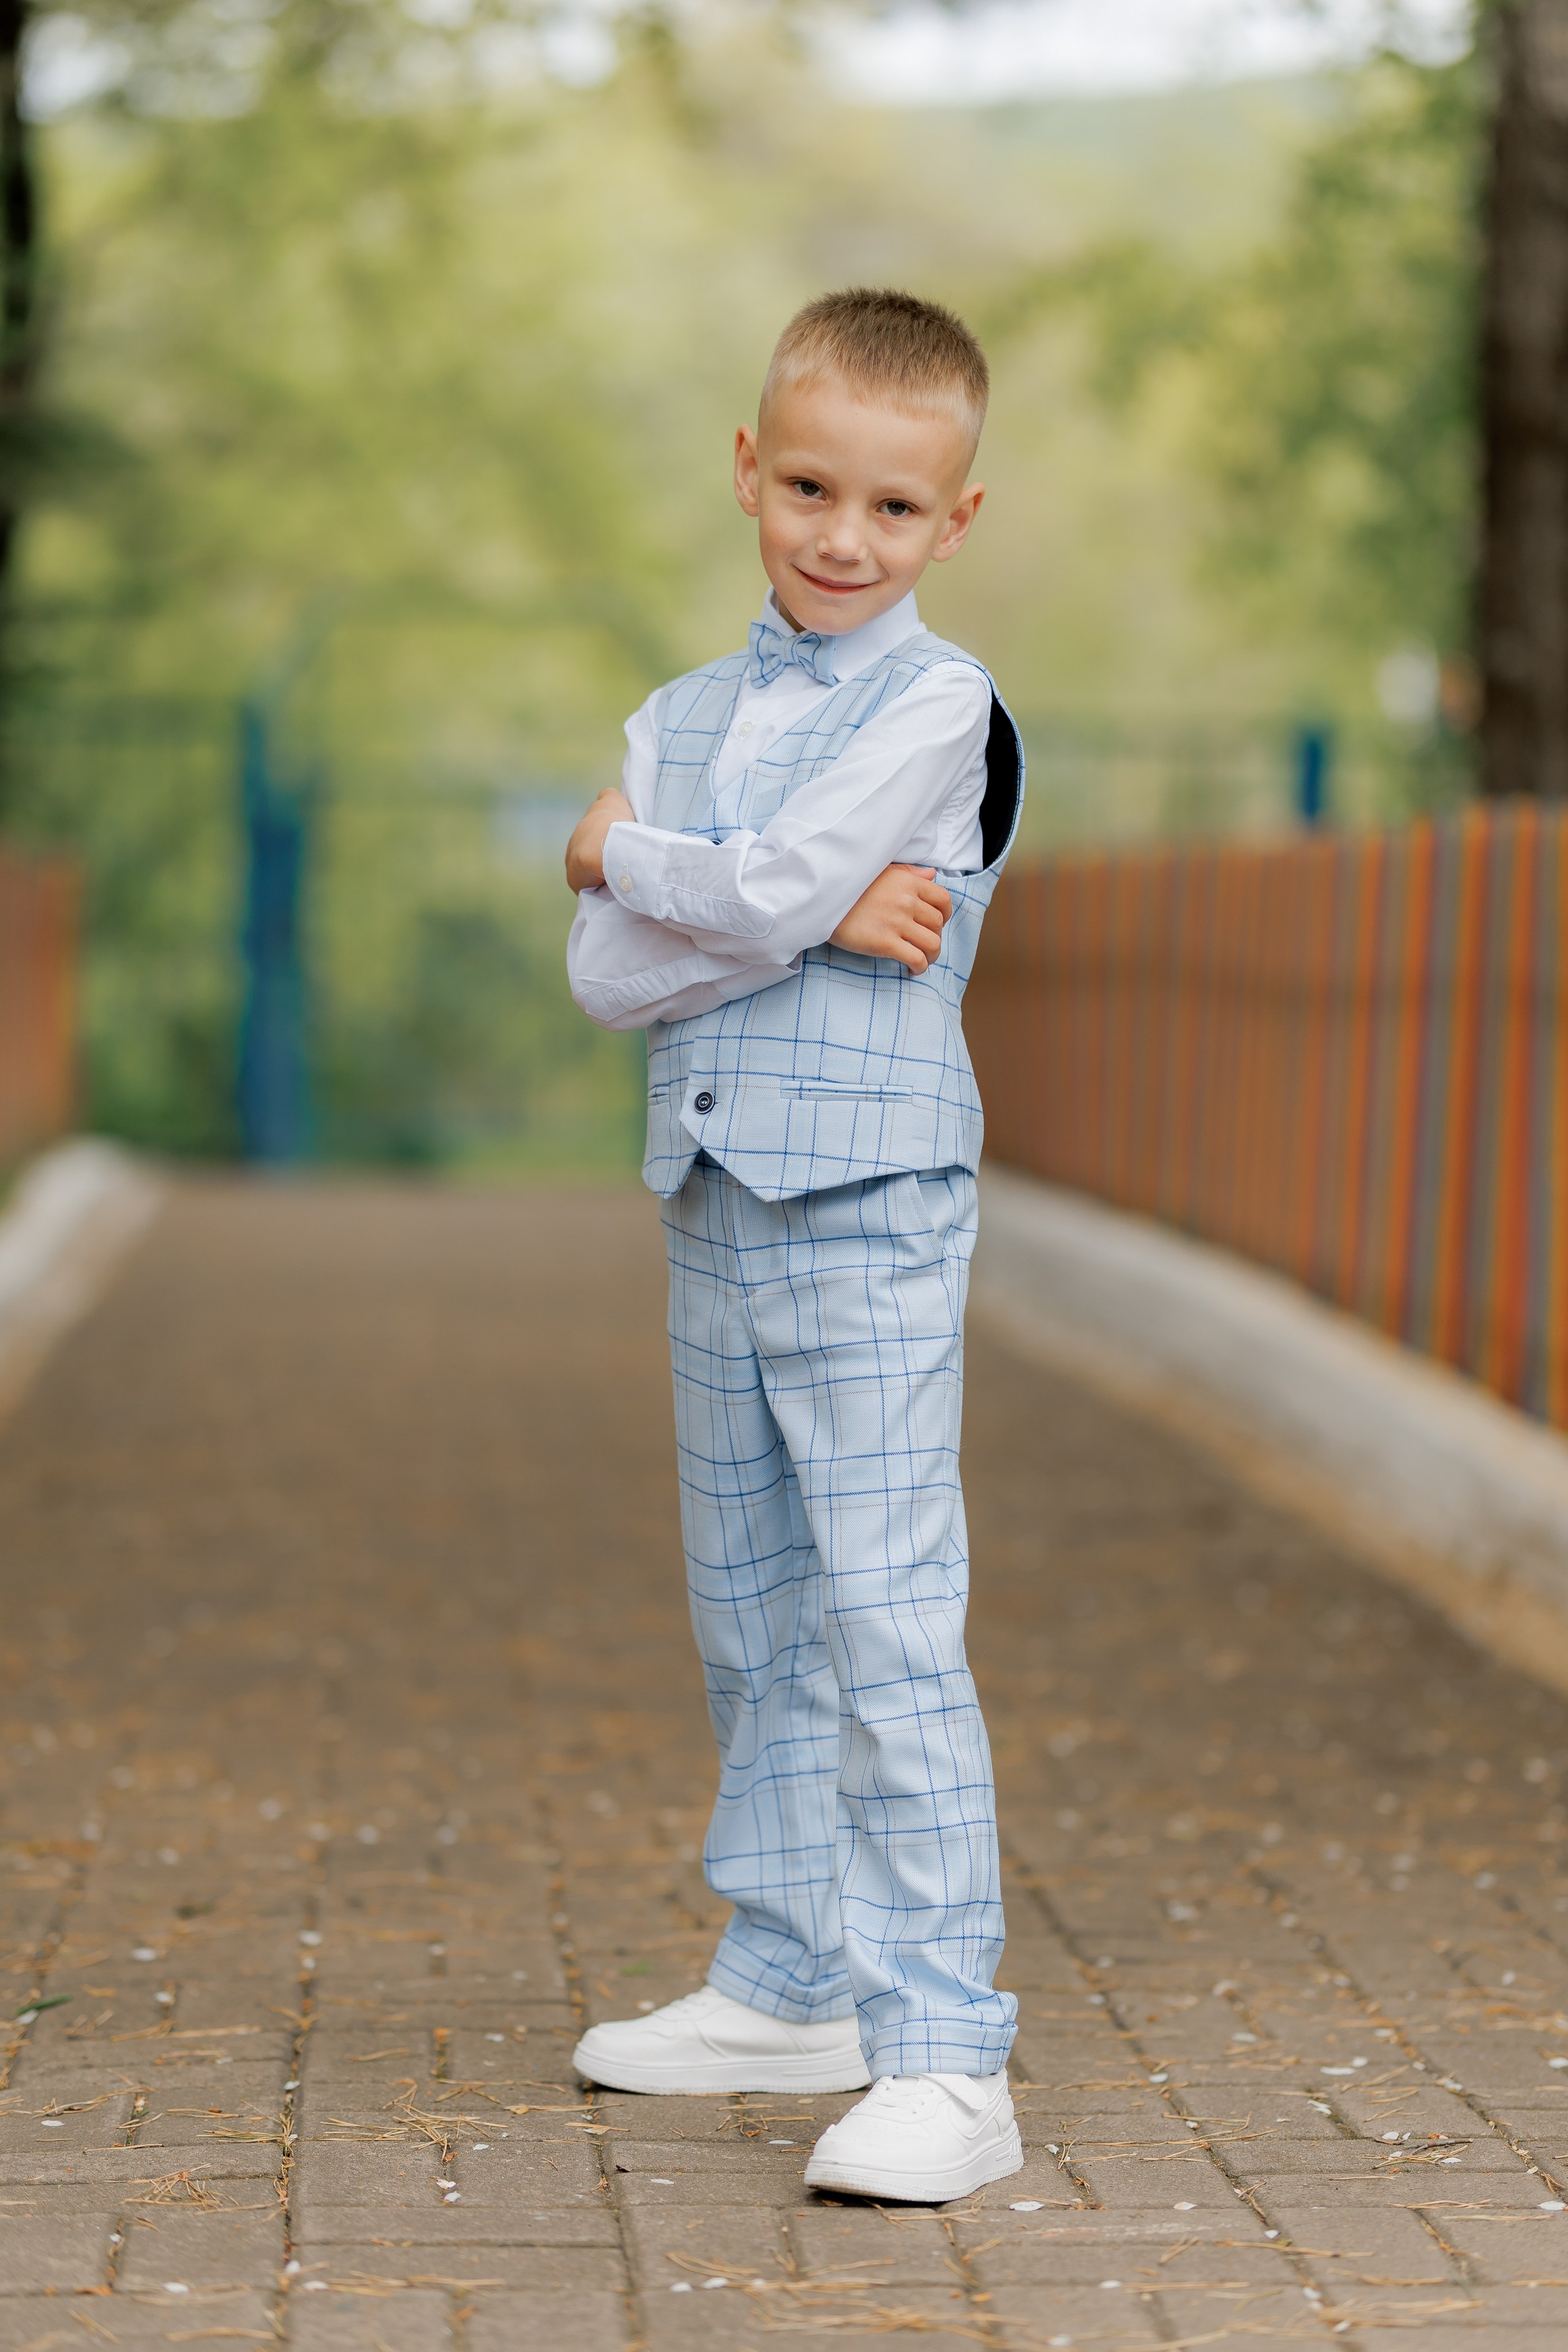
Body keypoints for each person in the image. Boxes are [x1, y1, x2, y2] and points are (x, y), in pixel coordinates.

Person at [562, 287, 1024, 2204]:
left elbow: (705, 895)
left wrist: (618, 855)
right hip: (713, 1191)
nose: (846, 537)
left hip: (872, 1203)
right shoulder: (673, 715)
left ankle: (947, 2052)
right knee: (750, 1606)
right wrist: (809, 915)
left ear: (957, 522)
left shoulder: (941, 704)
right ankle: (788, 1977)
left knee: (888, 1614)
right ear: (751, 473)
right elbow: (608, 985)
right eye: (812, 488)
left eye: (895, 510)